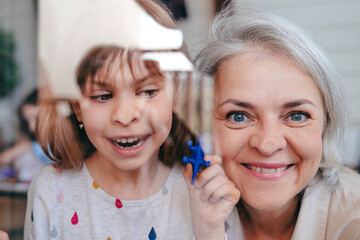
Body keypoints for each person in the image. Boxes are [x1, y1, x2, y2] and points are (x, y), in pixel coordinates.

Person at [24, 0, 238, 239]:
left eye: (147, 92)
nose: (125, 116)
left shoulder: (205, 191)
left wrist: (209, 230)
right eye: (103, 96)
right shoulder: (50, 190)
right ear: (77, 107)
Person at [194, 5, 360, 239]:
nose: (267, 144)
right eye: (238, 116)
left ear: (327, 124)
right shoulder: (170, 208)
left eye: (296, 116)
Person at [0, 89, 51, 182]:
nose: (31, 126)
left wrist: (28, 146)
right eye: (28, 121)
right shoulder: (35, 145)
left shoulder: (54, 145)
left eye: (35, 117)